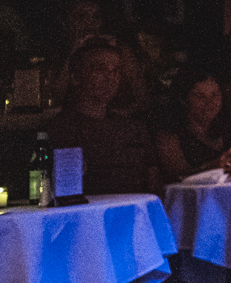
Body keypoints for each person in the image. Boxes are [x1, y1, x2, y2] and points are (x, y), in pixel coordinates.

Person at [46, 40, 160, 196]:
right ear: (76, 77)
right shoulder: (64, 128)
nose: (110, 78)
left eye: (115, 71)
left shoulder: (133, 127)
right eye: (100, 69)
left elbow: (154, 183)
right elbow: (67, 192)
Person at [155, 67, 231, 181]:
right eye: (200, 96)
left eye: (214, 95)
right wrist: (215, 165)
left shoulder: (230, 130)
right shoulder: (169, 136)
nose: (209, 102)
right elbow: (179, 177)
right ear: (184, 99)